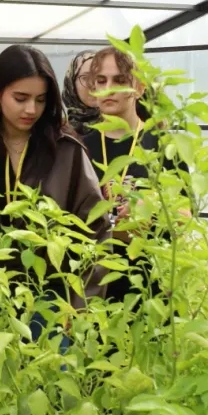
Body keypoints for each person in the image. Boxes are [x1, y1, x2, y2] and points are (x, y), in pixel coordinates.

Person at [0, 45, 108, 321]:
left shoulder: (66, 149)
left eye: (41, 100)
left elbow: (96, 229)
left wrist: (81, 307)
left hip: (52, 299)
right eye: (20, 98)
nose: (31, 109)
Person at [81, 46, 179, 304]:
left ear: (139, 87)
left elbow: (185, 214)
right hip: (94, 289)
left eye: (119, 80)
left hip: (152, 288)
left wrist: (153, 207)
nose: (108, 88)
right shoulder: (80, 147)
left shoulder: (162, 144)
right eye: (101, 81)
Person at [61, 50, 100, 137]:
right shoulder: (57, 131)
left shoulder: (119, 129)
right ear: (72, 84)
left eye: (100, 78)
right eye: (86, 78)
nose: (94, 85)